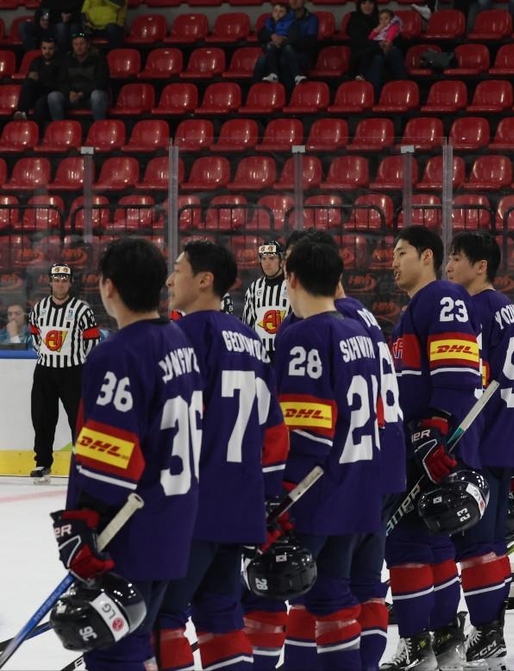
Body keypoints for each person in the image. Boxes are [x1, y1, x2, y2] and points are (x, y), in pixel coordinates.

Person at [49, 237, 204, 671]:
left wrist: (81, 524)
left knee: (113, 654)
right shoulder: (180, 342)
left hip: (126, 533)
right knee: (138, 644)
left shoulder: (117, 354)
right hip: (172, 522)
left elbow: (108, 460)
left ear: (108, 286)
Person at [156, 241, 287, 671]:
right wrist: (265, 496)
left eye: (178, 269)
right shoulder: (251, 340)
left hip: (192, 508)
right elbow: (273, 431)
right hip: (240, 508)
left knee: (164, 620)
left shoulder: (184, 336)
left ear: (204, 279)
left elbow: (175, 424)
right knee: (222, 619)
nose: (171, 279)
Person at [272, 237, 385, 671]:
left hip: (316, 493)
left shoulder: (303, 335)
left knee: (304, 592)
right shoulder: (358, 331)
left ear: (292, 278)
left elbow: (307, 434)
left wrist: (280, 497)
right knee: (333, 594)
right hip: (357, 484)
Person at [385, 226, 484, 670]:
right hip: (426, 441)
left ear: (426, 256)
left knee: (407, 542)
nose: (393, 261)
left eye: (401, 253)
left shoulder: (441, 296)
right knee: (434, 537)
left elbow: (457, 366)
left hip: (434, 443)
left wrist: (434, 427)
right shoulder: (416, 308)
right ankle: (444, 639)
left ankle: (416, 644)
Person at [444, 230, 514, 670]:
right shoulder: (510, 310)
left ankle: (486, 632)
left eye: (457, 258)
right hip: (508, 437)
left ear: (481, 266)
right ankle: (489, 631)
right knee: (492, 544)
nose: (449, 266)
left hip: (482, 438)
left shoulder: (473, 308)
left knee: (477, 545)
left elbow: (473, 380)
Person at [28, 263, 100, 480]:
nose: (60, 284)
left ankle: (82, 463)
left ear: (70, 283)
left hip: (73, 373)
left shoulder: (82, 310)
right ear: (50, 282)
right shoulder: (39, 308)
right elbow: (34, 337)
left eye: (64, 280)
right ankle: (42, 463)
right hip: (45, 372)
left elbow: (92, 341)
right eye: (56, 279)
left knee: (78, 419)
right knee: (42, 419)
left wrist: (82, 364)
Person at [241, 238, 290, 364]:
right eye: (263, 258)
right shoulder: (254, 288)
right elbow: (247, 324)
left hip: (287, 352)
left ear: (281, 261)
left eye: (272, 258)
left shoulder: (291, 286)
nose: (267, 263)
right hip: (260, 354)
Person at [254, 0, 319, 89]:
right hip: (276, 50)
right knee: (262, 60)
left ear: (305, 1)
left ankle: (289, 94)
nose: (294, 1)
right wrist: (272, 36)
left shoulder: (311, 19)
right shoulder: (281, 14)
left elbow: (310, 42)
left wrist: (287, 42)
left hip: (298, 52)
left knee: (284, 60)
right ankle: (257, 91)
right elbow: (262, 33)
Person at [47, 31, 108, 121]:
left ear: (88, 45)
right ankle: (58, 128)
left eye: (82, 44)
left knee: (97, 95)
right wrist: (69, 92)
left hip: (89, 97)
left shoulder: (99, 59)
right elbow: (61, 81)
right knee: (53, 96)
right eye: (75, 44)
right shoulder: (66, 60)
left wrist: (82, 93)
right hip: (72, 97)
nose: (79, 47)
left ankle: (99, 128)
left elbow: (101, 82)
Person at [14, 37, 61, 122]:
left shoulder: (61, 62)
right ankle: (22, 112)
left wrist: (40, 78)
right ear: (41, 48)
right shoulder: (36, 61)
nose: (47, 52)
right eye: (44, 48)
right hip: (36, 92)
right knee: (27, 82)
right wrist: (43, 78)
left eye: (50, 48)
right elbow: (32, 79)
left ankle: (37, 131)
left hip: (51, 94)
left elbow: (58, 84)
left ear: (55, 49)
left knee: (40, 104)